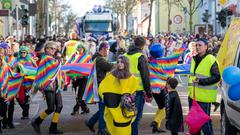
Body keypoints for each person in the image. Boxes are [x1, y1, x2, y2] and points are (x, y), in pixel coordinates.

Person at [148, 44, 185, 133]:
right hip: (161, 88)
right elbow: (175, 56)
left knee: (161, 106)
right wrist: (182, 47)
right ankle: (156, 122)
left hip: (152, 88)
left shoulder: (149, 61)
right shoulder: (164, 61)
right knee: (165, 107)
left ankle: (156, 127)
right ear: (161, 52)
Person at [99, 55, 139, 135]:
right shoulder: (111, 76)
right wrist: (108, 99)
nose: (119, 64)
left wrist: (128, 98)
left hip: (125, 107)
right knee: (115, 127)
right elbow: (103, 88)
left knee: (125, 127)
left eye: (122, 62)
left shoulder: (132, 78)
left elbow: (133, 90)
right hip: (113, 107)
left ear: (126, 63)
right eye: (118, 62)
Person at [188, 38, 221, 135]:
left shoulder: (211, 59)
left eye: (200, 45)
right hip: (193, 96)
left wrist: (201, 81)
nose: (197, 47)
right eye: (196, 45)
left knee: (205, 123)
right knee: (194, 124)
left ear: (206, 47)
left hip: (204, 97)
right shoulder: (194, 58)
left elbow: (217, 77)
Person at [31, 41, 63, 134]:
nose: (53, 50)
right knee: (50, 108)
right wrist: (59, 58)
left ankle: (53, 128)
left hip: (56, 86)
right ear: (46, 49)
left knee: (59, 106)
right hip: (48, 86)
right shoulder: (46, 58)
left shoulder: (52, 58)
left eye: (55, 49)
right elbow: (55, 65)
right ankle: (36, 122)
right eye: (51, 48)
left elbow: (58, 67)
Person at [124, 36, 152, 135]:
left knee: (125, 116)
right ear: (143, 45)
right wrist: (149, 93)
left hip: (124, 91)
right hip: (137, 92)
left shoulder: (124, 55)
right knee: (136, 117)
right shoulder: (140, 57)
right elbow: (145, 76)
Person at [85, 41, 113, 135]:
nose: (108, 52)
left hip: (100, 85)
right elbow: (109, 67)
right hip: (101, 86)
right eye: (107, 49)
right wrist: (119, 63)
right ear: (103, 49)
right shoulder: (100, 60)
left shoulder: (98, 58)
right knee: (103, 107)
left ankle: (91, 122)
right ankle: (101, 129)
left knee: (103, 107)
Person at [69, 42, 91, 115]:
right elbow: (68, 64)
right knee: (77, 95)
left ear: (83, 49)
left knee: (80, 95)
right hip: (75, 78)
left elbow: (90, 67)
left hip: (84, 79)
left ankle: (75, 109)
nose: (80, 49)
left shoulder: (87, 57)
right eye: (78, 48)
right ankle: (85, 109)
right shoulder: (73, 56)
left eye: (81, 48)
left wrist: (84, 73)